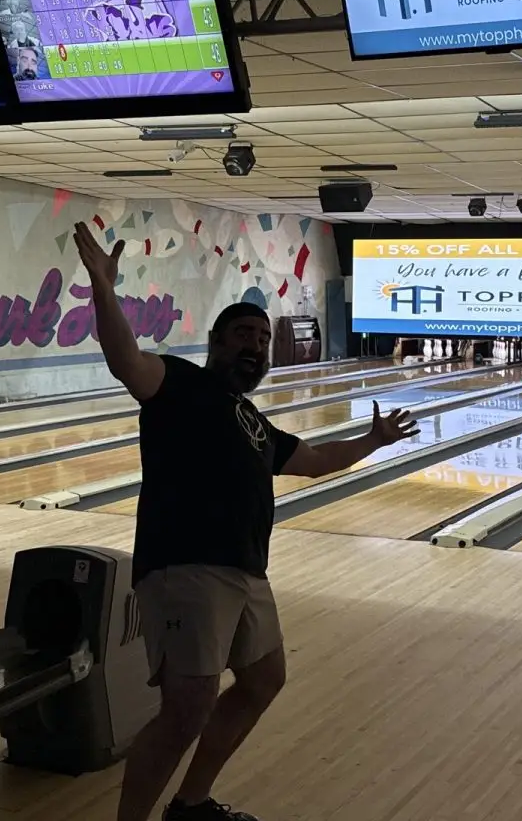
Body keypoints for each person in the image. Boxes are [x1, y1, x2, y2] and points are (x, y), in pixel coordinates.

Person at [73, 222, 420, 821]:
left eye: (262, 337)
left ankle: (192, 803)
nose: (254, 346)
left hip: (244, 572)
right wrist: (104, 287)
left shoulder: (252, 419)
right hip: (186, 565)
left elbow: (311, 462)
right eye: (242, 335)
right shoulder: (178, 383)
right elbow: (124, 359)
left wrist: (372, 440)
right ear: (216, 343)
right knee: (188, 706)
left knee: (263, 681)